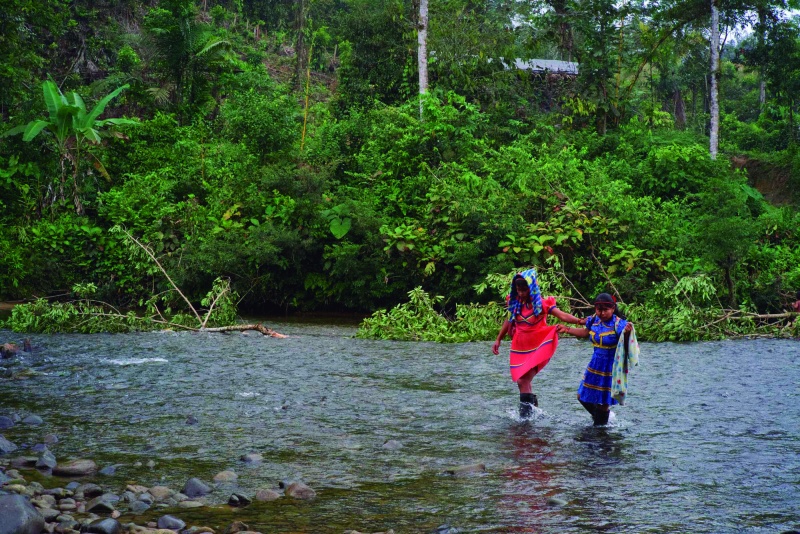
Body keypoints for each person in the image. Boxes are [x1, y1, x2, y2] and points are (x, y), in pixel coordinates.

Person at [492, 268, 584, 419]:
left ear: (531, 288)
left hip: (537, 345)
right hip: (519, 346)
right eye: (518, 290)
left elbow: (562, 315)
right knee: (521, 381)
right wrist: (498, 339)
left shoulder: (540, 304)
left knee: (523, 380)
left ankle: (525, 418)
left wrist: (581, 321)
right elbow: (509, 320)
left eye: (524, 290)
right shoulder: (514, 302)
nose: (521, 293)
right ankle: (532, 412)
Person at [556, 293, 633, 426]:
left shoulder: (619, 324)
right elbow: (584, 332)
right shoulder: (593, 320)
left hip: (610, 367)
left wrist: (627, 333)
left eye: (605, 310)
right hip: (595, 363)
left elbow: (627, 346)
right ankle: (602, 420)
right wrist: (567, 329)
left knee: (604, 402)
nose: (602, 313)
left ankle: (601, 428)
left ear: (613, 308)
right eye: (599, 310)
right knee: (581, 396)